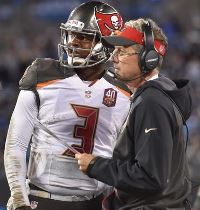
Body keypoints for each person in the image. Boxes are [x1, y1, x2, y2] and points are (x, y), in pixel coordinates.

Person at [4, 1, 131, 210]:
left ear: (106, 43)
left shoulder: (124, 91)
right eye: (72, 34)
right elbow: (16, 144)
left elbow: (122, 158)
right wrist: (19, 198)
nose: (73, 42)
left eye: (84, 37)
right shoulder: (42, 75)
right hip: (42, 198)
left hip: (96, 202)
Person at [75, 18, 192, 210]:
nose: (113, 57)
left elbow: (151, 177)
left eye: (122, 52)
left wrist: (96, 166)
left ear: (148, 58)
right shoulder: (157, 95)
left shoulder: (151, 103)